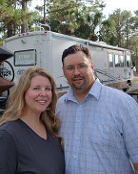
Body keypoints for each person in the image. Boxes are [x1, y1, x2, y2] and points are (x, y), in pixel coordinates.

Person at [55, 44, 138, 174]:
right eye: (70, 68)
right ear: (64, 72)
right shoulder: (60, 105)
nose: (76, 72)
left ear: (92, 67)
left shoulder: (123, 104)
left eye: (81, 66)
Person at [0, 67, 65, 174]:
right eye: (36, 88)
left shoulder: (51, 128)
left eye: (48, 89)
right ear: (23, 92)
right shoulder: (6, 136)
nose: (43, 93)